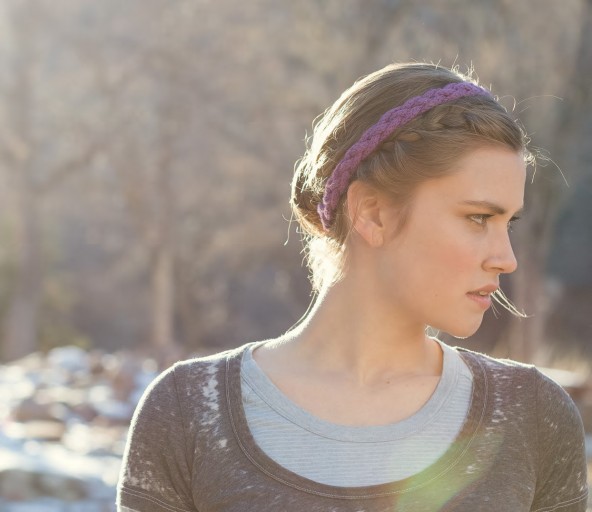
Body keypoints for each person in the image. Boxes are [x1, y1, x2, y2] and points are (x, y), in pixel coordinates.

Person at [117, 63, 588, 511]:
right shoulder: (188, 414)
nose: (506, 258)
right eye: (478, 218)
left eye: (509, 222)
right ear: (372, 213)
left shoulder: (533, 416)